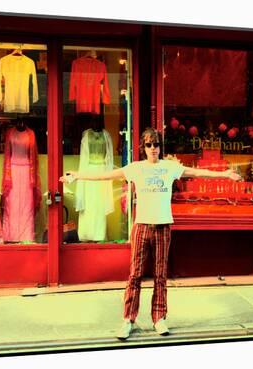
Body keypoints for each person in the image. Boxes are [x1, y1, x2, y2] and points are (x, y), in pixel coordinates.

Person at [60, 127, 242, 339]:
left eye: (156, 144)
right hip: (142, 226)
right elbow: (106, 175)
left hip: (163, 225)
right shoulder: (136, 168)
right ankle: (128, 319)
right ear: (143, 147)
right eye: (149, 144)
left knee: (160, 276)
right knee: (135, 275)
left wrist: (226, 175)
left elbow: (198, 172)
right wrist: (78, 175)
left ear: (160, 147)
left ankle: (159, 318)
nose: (153, 148)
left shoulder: (169, 167)